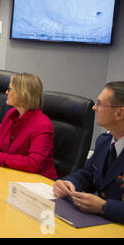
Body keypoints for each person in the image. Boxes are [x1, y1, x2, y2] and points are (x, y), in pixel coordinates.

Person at [53, 81, 124, 224]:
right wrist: (69, 183)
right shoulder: (104, 141)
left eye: (99, 103)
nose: (94, 107)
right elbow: (88, 174)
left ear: (119, 113)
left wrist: (104, 207)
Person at [0, 73, 57, 179]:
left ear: (22, 94)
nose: (6, 92)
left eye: (10, 89)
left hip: (37, 182)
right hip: (10, 174)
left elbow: (34, 163)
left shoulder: (42, 125)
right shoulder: (12, 114)